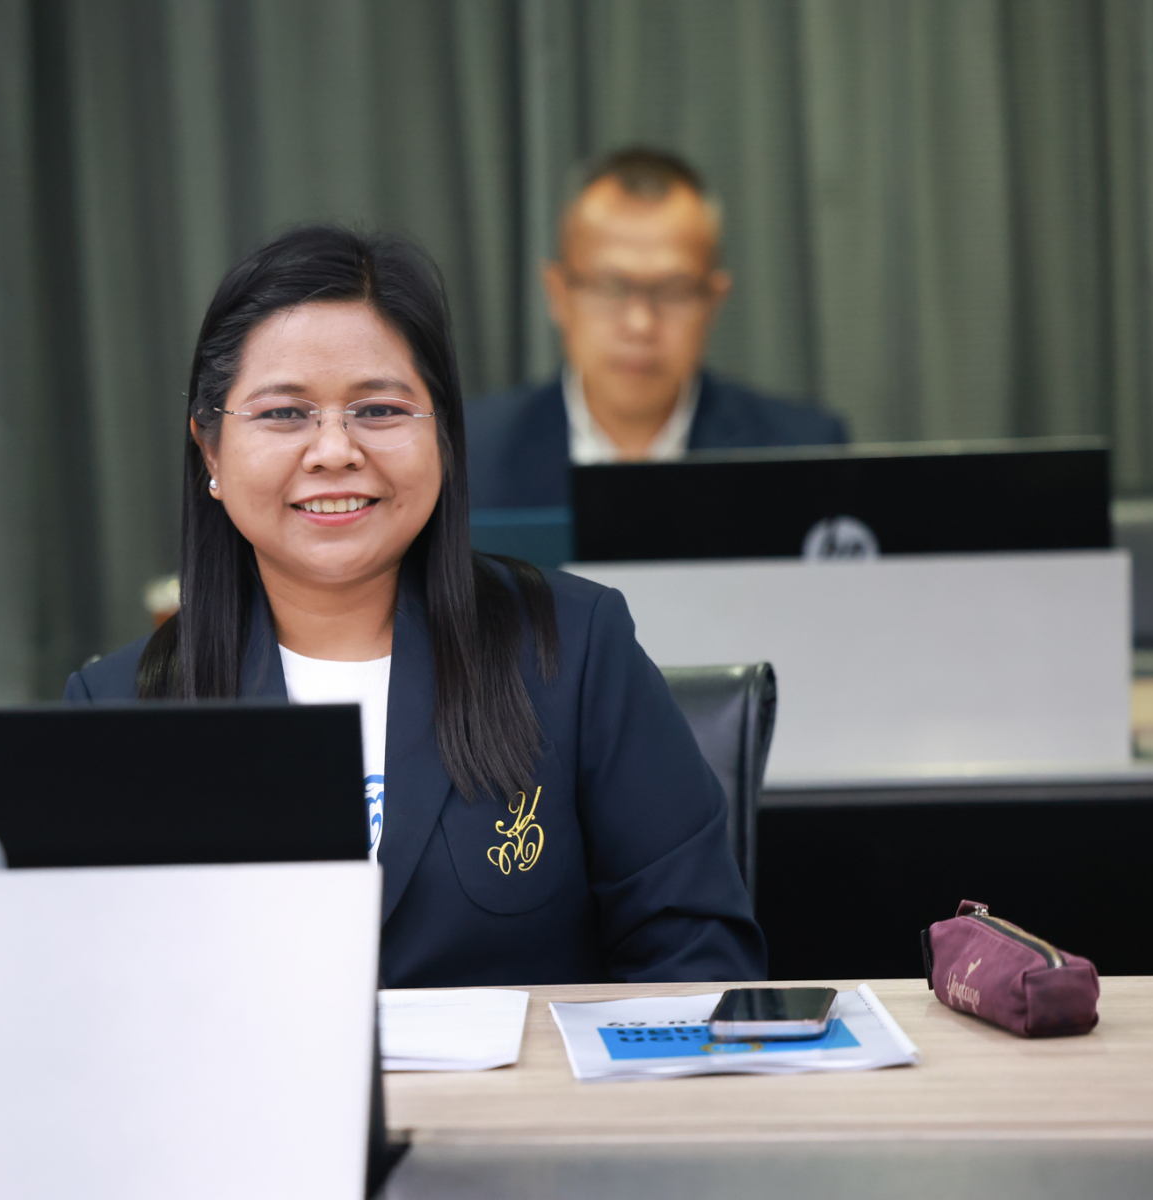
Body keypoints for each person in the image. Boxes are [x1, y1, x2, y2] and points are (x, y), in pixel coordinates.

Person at [65, 225, 764, 988]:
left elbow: (700, 960)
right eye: (284, 414)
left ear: (444, 436)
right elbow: (87, 996)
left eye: (378, 410)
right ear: (210, 450)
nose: (334, 450)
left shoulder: (574, 651)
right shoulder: (118, 707)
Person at [468, 147, 848, 510]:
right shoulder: (469, 454)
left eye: (673, 291)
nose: (640, 324)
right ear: (558, 293)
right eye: (611, 287)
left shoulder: (803, 453)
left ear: (714, 300)